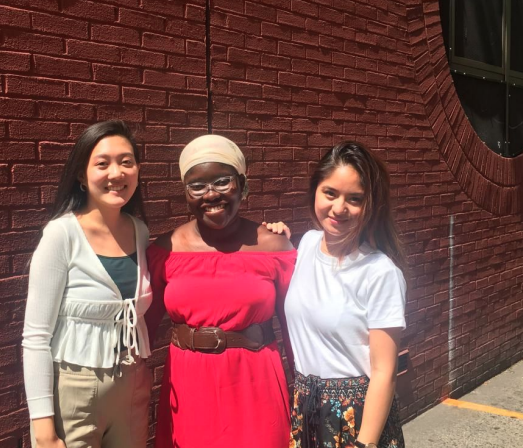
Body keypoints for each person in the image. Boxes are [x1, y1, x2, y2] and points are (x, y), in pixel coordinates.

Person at [145, 134, 296, 448]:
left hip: (256, 384)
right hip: (188, 389)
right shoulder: (165, 250)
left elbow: (296, 325)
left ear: (243, 185)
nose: (210, 194)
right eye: (197, 186)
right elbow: (141, 329)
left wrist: (303, 391)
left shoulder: (274, 247)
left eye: (222, 182)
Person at [22, 121, 153, 448]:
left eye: (126, 162)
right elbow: (36, 336)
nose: (117, 173)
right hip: (75, 393)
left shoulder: (141, 232)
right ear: (82, 175)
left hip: (134, 387)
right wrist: (43, 429)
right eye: (102, 163)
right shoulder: (61, 235)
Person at [285, 141, 407, 448]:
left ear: (370, 205)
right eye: (330, 193)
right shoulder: (306, 244)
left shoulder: (380, 272)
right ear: (315, 190)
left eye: (354, 199)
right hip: (306, 409)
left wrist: (363, 444)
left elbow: (384, 372)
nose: (339, 208)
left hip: (356, 419)